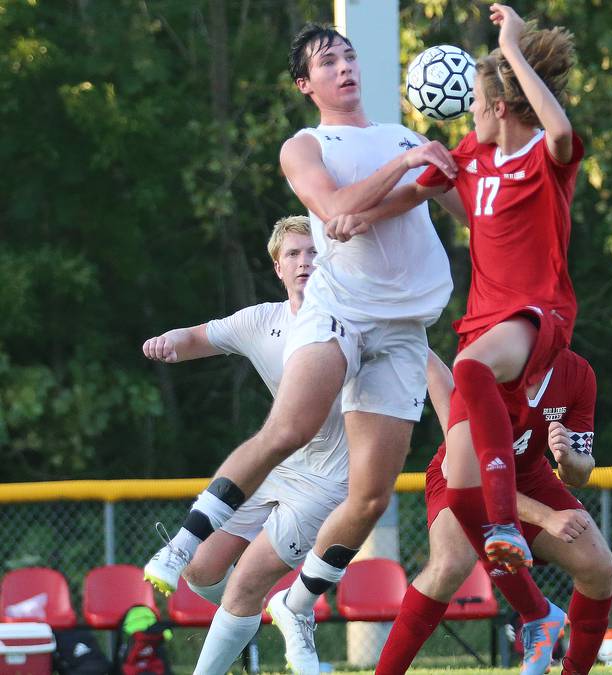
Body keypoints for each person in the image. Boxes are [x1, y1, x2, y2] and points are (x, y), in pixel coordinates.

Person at [144, 21, 465, 675]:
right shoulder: (306, 145)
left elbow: (431, 206)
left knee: (373, 500)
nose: (345, 65)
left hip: (400, 329)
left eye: (349, 54)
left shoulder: (404, 137)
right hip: (343, 316)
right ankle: (183, 550)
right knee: (281, 436)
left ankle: (296, 605)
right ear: (305, 84)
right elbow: (336, 204)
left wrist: (449, 174)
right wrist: (400, 171)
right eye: (328, 60)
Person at [327, 3, 583, 577]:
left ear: (496, 105)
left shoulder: (544, 156)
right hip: (485, 322)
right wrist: (363, 218)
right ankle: (535, 612)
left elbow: (560, 129)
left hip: (538, 314)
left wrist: (512, 48)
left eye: (473, 102)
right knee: (458, 488)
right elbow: (419, 192)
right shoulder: (472, 156)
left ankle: (503, 523)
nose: (465, 113)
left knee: (468, 370)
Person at [142, 216, 350, 673]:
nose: (304, 262)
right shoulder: (262, 321)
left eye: (313, 252)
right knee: (200, 569)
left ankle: (251, 613)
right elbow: (197, 337)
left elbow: (419, 360)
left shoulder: (353, 320)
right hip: (277, 463)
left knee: (243, 588)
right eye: (293, 254)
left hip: (329, 480)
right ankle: (260, 613)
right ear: (277, 267)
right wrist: (169, 343)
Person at [376, 348, 612, 675]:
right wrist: (546, 517)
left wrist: (570, 460)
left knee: (599, 567)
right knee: (449, 566)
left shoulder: (578, 373)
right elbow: (479, 484)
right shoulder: (490, 360)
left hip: (531, 477)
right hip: (464, 476)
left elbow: (581, 474)